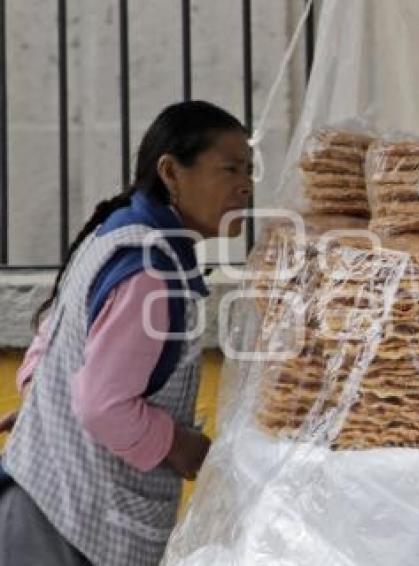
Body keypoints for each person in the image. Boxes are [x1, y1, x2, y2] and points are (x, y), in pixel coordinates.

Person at [0, 100, 253, 565]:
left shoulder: (121, 234)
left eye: (250, 172)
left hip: (42, 498)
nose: (245, 187)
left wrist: (47, 401)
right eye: (230, 169)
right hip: (69, 525)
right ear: (171, 172)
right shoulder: (149, 270)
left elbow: (54, 333)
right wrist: (183, 447)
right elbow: (102, 406)